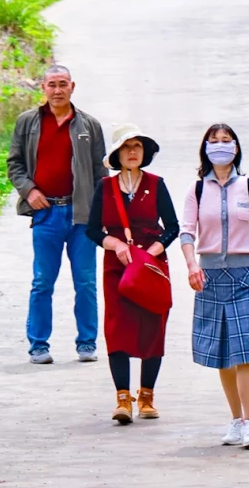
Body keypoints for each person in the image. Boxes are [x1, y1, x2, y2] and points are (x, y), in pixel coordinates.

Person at [180, 122, 249, 450]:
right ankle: (235, 419)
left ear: (236, 148)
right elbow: (187, 232)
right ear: (205, 149)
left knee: (245, 351)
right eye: (214, 142)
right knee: (222, 354)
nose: (220, 146)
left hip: (246, 277)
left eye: (226, 141)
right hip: (210, 278)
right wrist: (191, 266)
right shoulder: (197, 190)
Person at [7, 62, 106, 365]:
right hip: (46, 213)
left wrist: (102, 215)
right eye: (52, 84)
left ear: (72, 87)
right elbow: (15, 164)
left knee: (86, 282)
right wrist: (29, 191)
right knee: (42, 282)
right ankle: (39, 345)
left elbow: (100, 172)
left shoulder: (89, 125)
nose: (58, 90)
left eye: (63, 84)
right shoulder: (28, 122)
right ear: (43, 88)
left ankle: (87, 343)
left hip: (82, 216)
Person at [86, 124, 179, 424]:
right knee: (118, 327)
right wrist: (112, 243)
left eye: (137, 146)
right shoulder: (106, 188)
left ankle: (147, 397)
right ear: (117, 155)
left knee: (154, 324)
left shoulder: (156, 184)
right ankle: (122, 398)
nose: (132, 152)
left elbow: (174, 227)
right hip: (117, 268)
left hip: (151, 267)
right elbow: (91, 230)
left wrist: (152, 250)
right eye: (126, 147)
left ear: (144, 152)